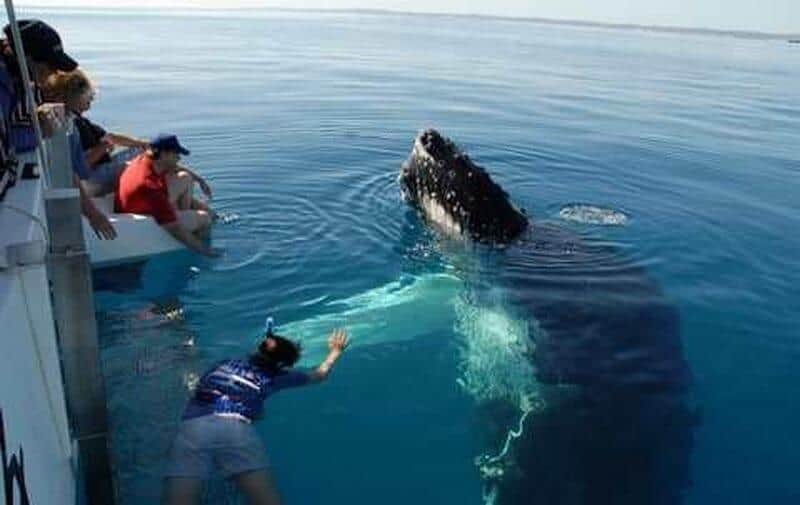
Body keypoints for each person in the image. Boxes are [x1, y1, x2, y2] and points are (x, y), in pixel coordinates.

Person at [163, 322, 350, 505]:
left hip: (192, 428)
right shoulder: (275, 378)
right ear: (283, 366)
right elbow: (319, 375)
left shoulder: (224, 364)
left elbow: (199, 389)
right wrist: (335, 352)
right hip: (235, 431)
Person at [1, 19, 117, 239]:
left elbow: (15, 131)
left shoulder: (26, 82)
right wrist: (39, 129)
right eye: (49, 66)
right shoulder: (4, 86)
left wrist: (37, 124)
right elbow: (7, 143)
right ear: (27, 59)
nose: (54, 72)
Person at [43, 69, 215, 200]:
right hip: (90, 183)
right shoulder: (70, 127)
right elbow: (79, 168)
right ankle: (166, 196)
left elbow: (112, 137)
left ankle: (187, 183)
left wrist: (141, 144)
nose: (92, 100)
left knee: (146, 151)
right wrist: (102, 149)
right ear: (74, 96)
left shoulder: (78, 119)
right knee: (146, 160)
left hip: (98, 171)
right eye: (88, 96)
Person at [115, 134, 218, 257]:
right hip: (142, 214)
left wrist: (200, 180)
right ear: (164, 154)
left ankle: (186, 214)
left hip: (141, 201)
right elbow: (174, 229)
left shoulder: (146, 158)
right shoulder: (151, 187)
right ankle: (200, 243)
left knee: (186, 178)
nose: (179, 158)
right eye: (176, 154)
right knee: (205, 218)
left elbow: (175, 167)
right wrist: (206, 252)